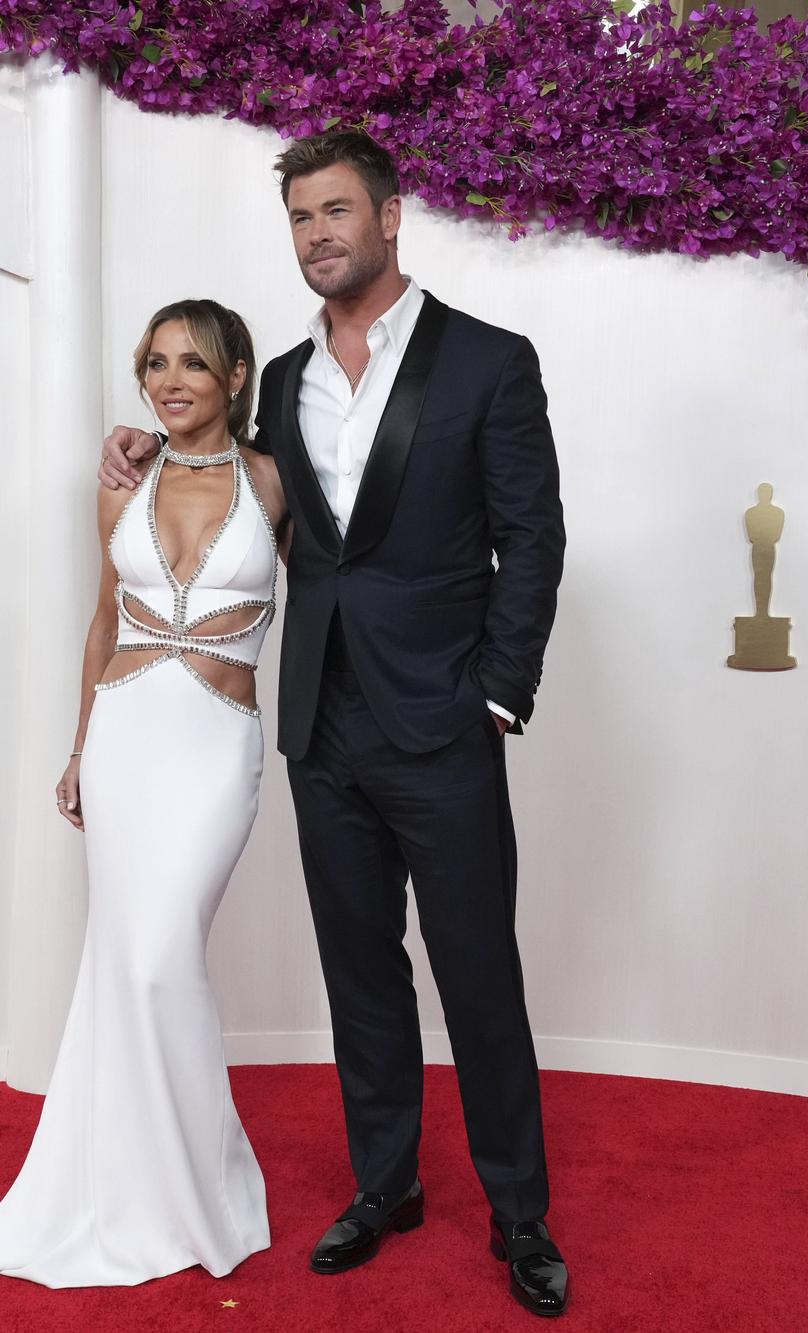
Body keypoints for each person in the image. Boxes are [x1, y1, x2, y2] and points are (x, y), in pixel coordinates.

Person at [99, 130, 569, 1317]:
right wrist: (148, 442)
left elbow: (535, 538)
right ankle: (385, 1184)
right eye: (298, 219)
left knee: (477, 976)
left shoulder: (487, 363)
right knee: (359, 976)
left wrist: (497, 693)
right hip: (320, 723)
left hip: (446, 721)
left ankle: (519, 1213)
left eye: (334, 212)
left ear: (391, 214)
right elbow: (225, 461)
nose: (316, 236)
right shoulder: (289, 384)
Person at [0, 299, 289, 1287]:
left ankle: (195, 1182)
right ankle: (136, 1186)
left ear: (236, 376)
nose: (169, 382)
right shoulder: (124, 483)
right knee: (129, 960)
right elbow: (100, 621)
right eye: (154, 365)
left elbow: (337, 594)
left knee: (162, 956)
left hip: (217, 745)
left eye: (191, 364)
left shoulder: (271, 480)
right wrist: (80, 747)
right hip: (126, 735)